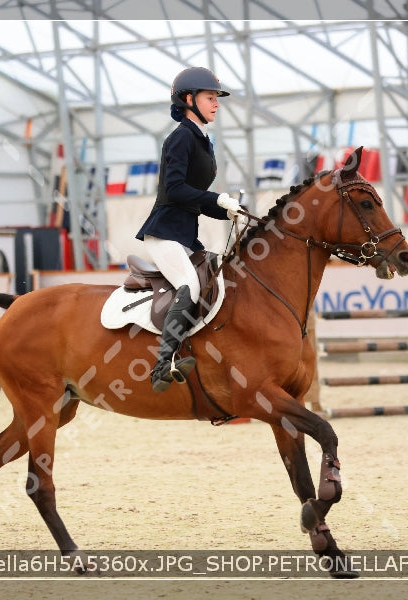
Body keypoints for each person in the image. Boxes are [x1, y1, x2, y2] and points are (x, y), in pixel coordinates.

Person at [136, 66, 245, 393]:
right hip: (165, 232)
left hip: (185, 234)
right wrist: (217, 198)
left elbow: (195, 201)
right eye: (210, 97)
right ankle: (161, 366)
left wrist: (228, 211)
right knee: (189, 285)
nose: (216, 103)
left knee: (216, 280)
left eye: (216, 98)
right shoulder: (181, 137)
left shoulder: (201, 139)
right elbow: (175, 190)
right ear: (189, 99)